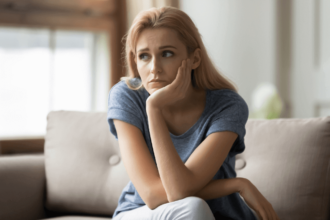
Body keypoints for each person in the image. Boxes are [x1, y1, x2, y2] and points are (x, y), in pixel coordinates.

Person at [107, 6, 279, 220]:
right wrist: (235, 184)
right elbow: (152, 195)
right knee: (192, 207)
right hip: (140, 213)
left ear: (194, 59)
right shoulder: (126, 96)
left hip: (216, 215)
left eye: (166, 54)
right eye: (144, 56)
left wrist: (154, 107)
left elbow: (179, 190)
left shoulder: (227, 107)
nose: (154, 68)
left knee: (193, 208)